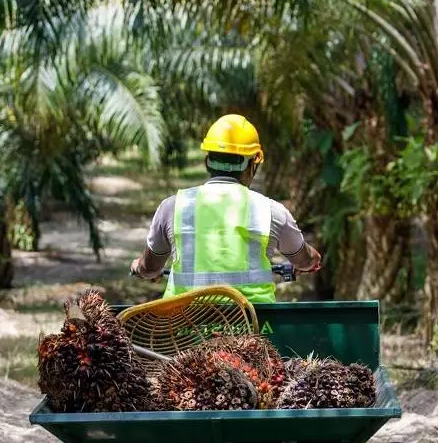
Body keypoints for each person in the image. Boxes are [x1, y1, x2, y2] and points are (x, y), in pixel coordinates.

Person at [130, 113, 322, 304]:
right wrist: (312, 260)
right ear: (252, 165)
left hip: (184, 327)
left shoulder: (173, 207)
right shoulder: (271, 211)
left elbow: (150, 268)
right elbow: (304, 260)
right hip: (255, 327)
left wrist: (139, 267)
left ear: (207, 161)